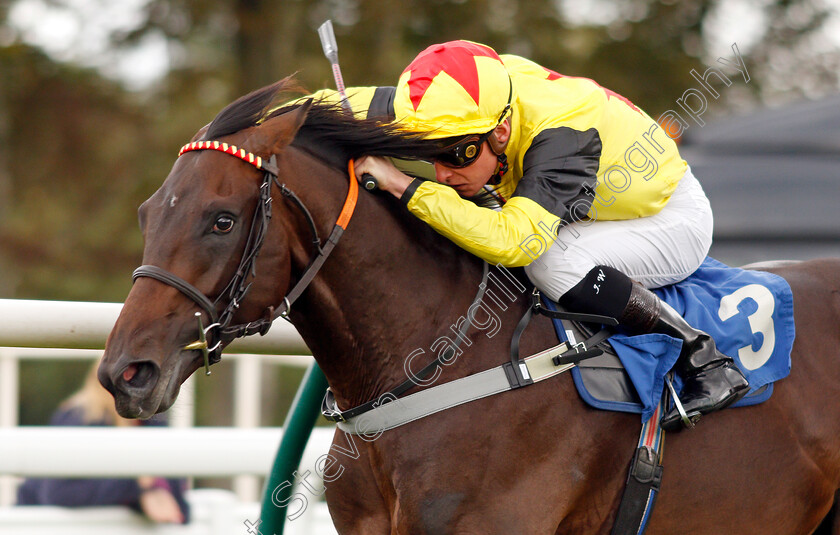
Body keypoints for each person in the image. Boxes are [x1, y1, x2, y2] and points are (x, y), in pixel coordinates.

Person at [353, 40, 749, 431]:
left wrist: (403, 185)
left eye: (458, 155)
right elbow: (336, 105)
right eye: (427, 155)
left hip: (669, 220)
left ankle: (702, 356)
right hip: (594, 212)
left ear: (502, 131)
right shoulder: (458, 101)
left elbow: (516, 242)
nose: (441, 173)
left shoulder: (562, 134)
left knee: (547, 261)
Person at [16, 362, 189, 524]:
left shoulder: (153, 422)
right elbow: (60, 493)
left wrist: (152, 488)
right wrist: (139, 486)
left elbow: (179, 511)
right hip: (42, 523)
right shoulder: (80, 418)